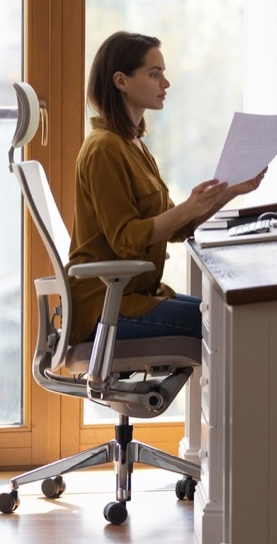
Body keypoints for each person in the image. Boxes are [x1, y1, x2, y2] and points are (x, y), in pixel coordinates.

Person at [67, 31, 266, 344]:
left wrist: (231, 190)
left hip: (137, 297)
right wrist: (189, 206)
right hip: (106, 309)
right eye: (154, 74)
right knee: (231, 326)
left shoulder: (133, 144)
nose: (165, 84)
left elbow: (175, 228)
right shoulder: (104, 149)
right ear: (121, 81)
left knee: (231, 313)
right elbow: (127, 240)